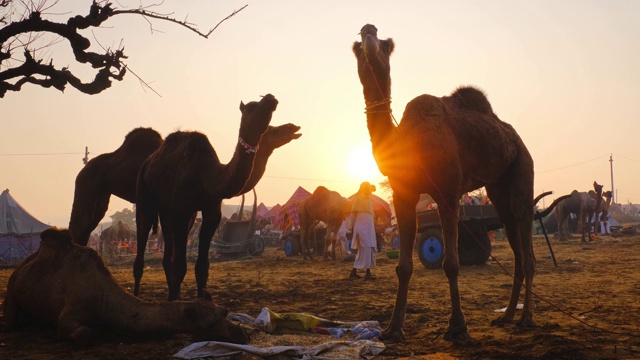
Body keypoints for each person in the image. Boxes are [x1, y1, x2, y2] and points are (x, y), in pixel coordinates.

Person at [348, 181, 378, 280]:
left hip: (369, 229)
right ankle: (367, 273)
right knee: (366, 248)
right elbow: (353, 214)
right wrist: (352, 226)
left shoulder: (368, 199)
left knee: (366, 249)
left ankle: (354, 272)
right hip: (362, 228)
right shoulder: (359, 199)